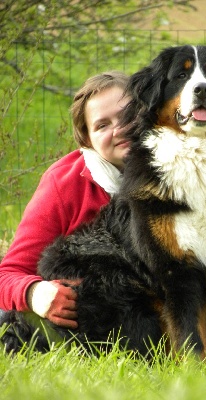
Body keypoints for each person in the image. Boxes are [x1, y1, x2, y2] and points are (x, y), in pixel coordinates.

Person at [0, 71, 131, 331]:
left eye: (128, 115)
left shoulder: (189, 169)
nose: (120, 129)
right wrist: (36, 294)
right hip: (84, 319)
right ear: (87, 140)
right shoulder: (64, 184)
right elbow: (7, 275)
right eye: (102, 125)